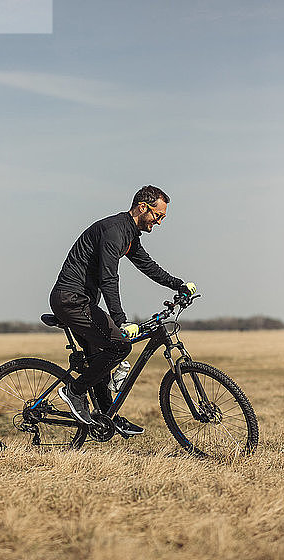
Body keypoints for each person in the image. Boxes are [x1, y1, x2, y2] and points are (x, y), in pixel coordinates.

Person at [49, 185, 196, 437]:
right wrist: (120, 320)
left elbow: (148, 266)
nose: (159, 222)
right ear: (143, 207)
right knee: (120, 346)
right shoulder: (114, 231)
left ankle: (107, 416)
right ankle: (73, 391)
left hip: (82, 302)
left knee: (101, 357)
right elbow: (108, 277)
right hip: (71, 300)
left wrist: (178, 284)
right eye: (158, 215)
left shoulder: (129, 235)